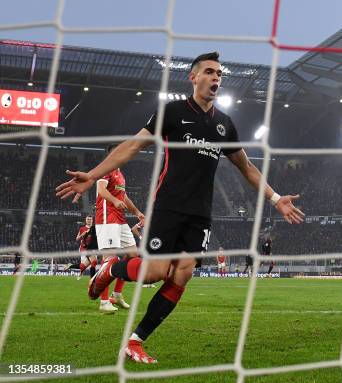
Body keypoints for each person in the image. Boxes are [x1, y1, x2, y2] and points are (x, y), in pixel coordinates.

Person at [56, 52, 304, 363]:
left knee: (182, 276)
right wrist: (92, 176)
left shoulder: (224, 125)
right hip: (169, 207)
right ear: (194, 77)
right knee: (155, 272)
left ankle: (135, 341)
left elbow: (247, 167)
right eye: (210, 72)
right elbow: (132, 146)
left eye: (219, 74)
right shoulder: (172, 112)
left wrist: (275, 197)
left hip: (201, 214)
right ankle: (110, 268)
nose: (216, 78)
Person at [94, 145, 145, 313]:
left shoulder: (120, 174)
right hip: (107, 218)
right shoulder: (106, 168)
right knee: (110, 258)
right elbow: (101, 190)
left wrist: (137, 212)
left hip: (120, 220)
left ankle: (116, 294)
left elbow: (124, 197)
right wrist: (114, 201)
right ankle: (103, 302)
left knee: (133, 255)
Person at [76, 215, 97, 280]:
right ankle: (80, 273)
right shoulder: (82, 228)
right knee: (83, 265)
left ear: (92, 220)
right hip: (83, 248)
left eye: (90, 219)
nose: (89, 221)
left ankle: (92, 278)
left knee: (94, 262)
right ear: (85, 220)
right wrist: (82, 235)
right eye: (88, 219)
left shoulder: (95, 228)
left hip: (92, 248)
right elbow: (77, 239)